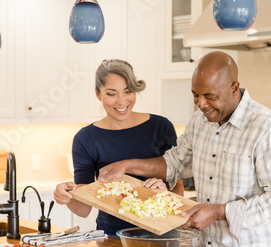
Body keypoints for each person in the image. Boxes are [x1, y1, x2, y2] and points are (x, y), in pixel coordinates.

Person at [98, 51, 271, 247]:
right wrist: (127, 166)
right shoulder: (201, 120)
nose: (201, 104)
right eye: (195, 95)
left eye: (210, 96)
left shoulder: (266, 128)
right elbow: (176, 162)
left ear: (234, 88)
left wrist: (218, 212)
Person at [54, 59, 184, 237]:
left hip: (162, 234)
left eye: (128, 91)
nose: (122, 101)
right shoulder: (86, 139)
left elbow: (178, 191)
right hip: (112, 236)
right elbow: (83, 209)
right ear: (98, 94)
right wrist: (65, 196)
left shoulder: (160, 127)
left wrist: (165, 192)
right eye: (111, 93)